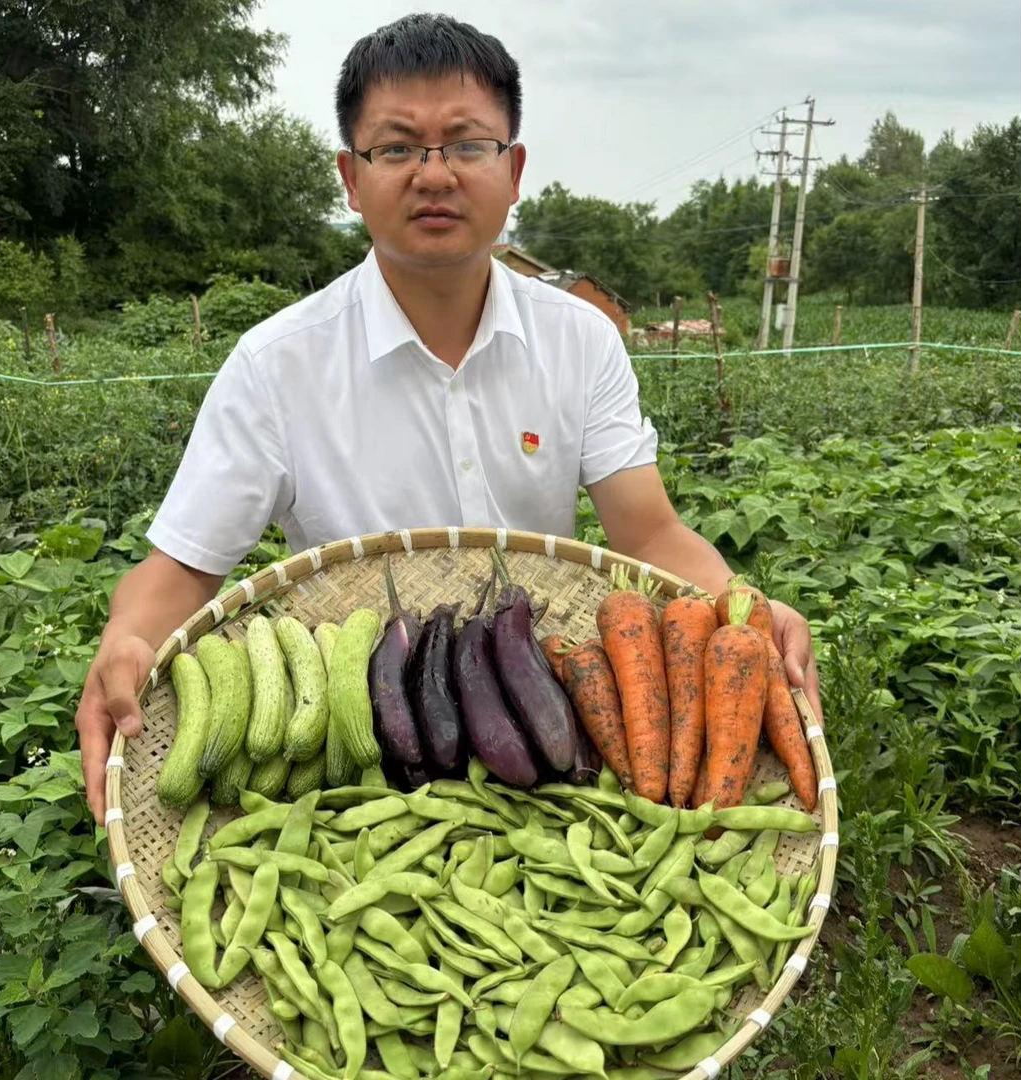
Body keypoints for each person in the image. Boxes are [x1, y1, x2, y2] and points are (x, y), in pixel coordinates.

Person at [74, 13, 824, 822]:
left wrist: (744, 605)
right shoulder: (275, 364)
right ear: (350, 179)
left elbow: (648, 535)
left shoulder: (580, 340)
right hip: (362, 721)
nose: (434, 175)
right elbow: (183, 571)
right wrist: (127, 639)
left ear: (515, 169)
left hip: (539, 705)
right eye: (396, 148)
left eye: (467, 144)